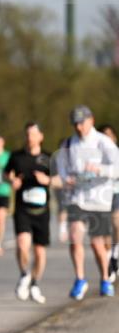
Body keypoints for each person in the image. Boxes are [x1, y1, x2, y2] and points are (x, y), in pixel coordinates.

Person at [54, 106, 119, 299]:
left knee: (98, 245)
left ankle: (105, 279)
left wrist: (100, 169)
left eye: (82, 123)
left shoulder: (103, 142)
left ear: (91, 120)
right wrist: (67, 179)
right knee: (75, 236)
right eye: (75, 124)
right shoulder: (69, 144)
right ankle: (80, 278)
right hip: (77, 198)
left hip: (99, 199)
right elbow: (62, 168)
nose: (79, 127)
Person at [4, 123, 53, 304]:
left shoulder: (48, 158)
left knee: (40, 252)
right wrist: (11, 181)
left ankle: (35, 283)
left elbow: (59, 180)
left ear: (40, 136)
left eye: (33, 134)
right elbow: (6, 174)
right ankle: (24, 274)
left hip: (42, 210)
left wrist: (46, 180)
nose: (30, 138)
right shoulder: (16, 156)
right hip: (22, 209)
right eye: (27, 134)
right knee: (22, 244)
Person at [100, 124, 119, 282]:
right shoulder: (96, 155)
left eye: (109, 135)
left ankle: (115, 252)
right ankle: (110, 264)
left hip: (117, 192)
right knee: (104, 232)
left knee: (117, 222)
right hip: (101, 195)